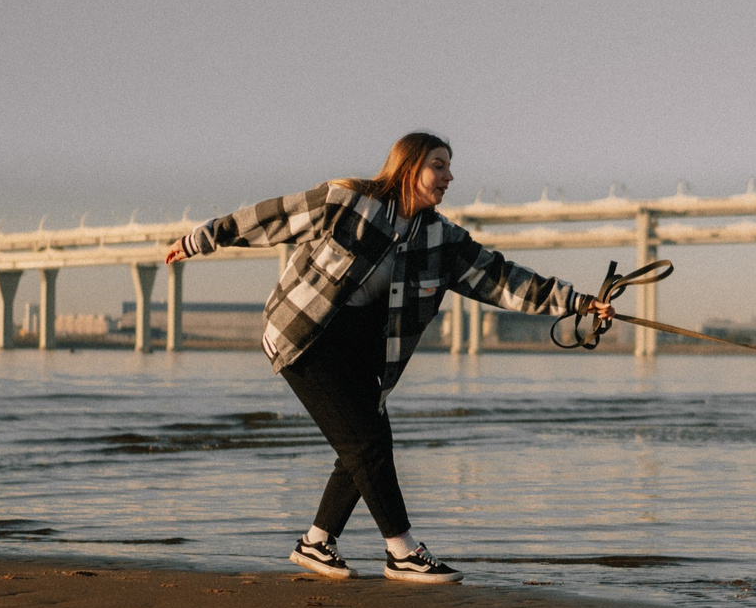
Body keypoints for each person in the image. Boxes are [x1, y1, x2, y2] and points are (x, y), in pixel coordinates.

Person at [166, 132, 610, 584]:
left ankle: (317, 542)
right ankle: (402, 551)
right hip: (305, 333)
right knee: (367, 444)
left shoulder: (442, 240)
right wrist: (203, 238)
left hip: (363, 346)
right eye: (439, 165)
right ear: (409, 166)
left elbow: (500, 278)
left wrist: (579, 303)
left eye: (449, 167)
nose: (449, 176)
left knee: (364, 443)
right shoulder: (348, 202)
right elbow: (275, 217)